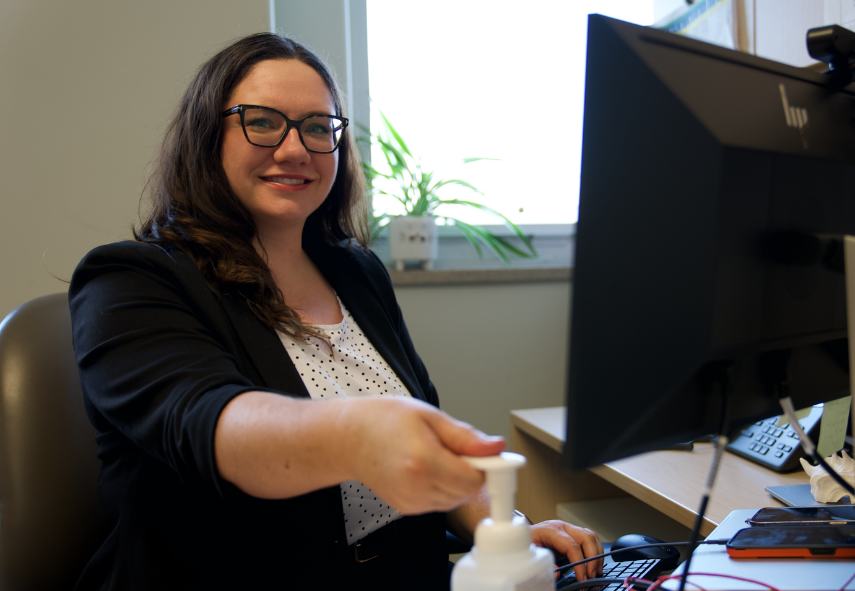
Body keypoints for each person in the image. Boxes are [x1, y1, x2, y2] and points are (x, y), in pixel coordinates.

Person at [69, 33, 600, 590]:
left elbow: (431, 448)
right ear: (207, 136)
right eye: (263, 121)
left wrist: (504, 528)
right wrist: (359, 434)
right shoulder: (129, 280)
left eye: (319, 128)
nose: (295, 148)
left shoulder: (357, 272)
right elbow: (210, 428)